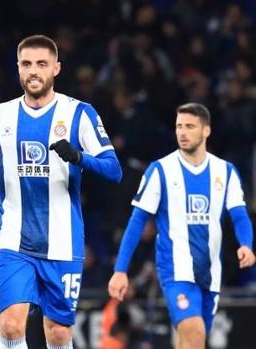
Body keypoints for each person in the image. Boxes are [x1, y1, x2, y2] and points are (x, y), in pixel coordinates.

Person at [0, 35, 122, 349]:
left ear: (56, 68)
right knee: (11, 325)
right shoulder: (0, 116)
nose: (34, 71)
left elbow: (115, 170)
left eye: (41, 64)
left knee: (57, 333)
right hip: (13, 242)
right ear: (17, 68)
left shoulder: (79, 113)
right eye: (27, 64)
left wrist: (79, 158)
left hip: (62, 241)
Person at [108, 103, 256, 349]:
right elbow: (137, 221)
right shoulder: (161, 171)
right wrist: (120, 269)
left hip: (210, 273)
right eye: (179, 126)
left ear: (206, 131)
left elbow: (239, 215)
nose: (182, 132)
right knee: (194, 332)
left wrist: (247, 245)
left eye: (190, 126)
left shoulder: (225, 171)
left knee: (190, 340)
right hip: (175, 271)